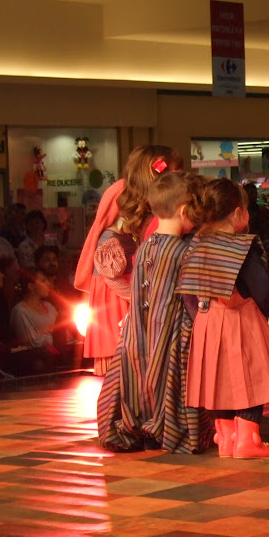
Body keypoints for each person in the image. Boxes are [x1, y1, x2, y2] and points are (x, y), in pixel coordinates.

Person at [97, 171, 213, 453]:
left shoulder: (144, 247)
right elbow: (190, 299)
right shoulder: (183, 251)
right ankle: (166, 429)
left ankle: (144, 426)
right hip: (171, 330)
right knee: (169, 379)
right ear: (185, 210)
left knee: (139, 376)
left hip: (138, 331)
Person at [180, 178, 269, 458]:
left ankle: (227, 439)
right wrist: (267, 310)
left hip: (206, 320)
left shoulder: (195, 245)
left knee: (219, 380)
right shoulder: (243, 246)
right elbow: (262, 289)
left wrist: (201, 318)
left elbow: (187, 293)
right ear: (239, 212)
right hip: (241, 319)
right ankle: (247, 441)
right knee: (250, 378)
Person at [74, 145, 183, 376]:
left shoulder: (134, 193)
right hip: (116, 284)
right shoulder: (122, 192)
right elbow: (109, 270)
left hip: (129, 281)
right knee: (121, 361)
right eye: (173, 172)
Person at [9, 268, 58, 374]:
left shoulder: (49, 307)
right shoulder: (20, 311)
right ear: (31, 286)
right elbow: (32, 341)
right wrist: (55, 337)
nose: (48, 284)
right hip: (36, 356)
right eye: (43, 281)